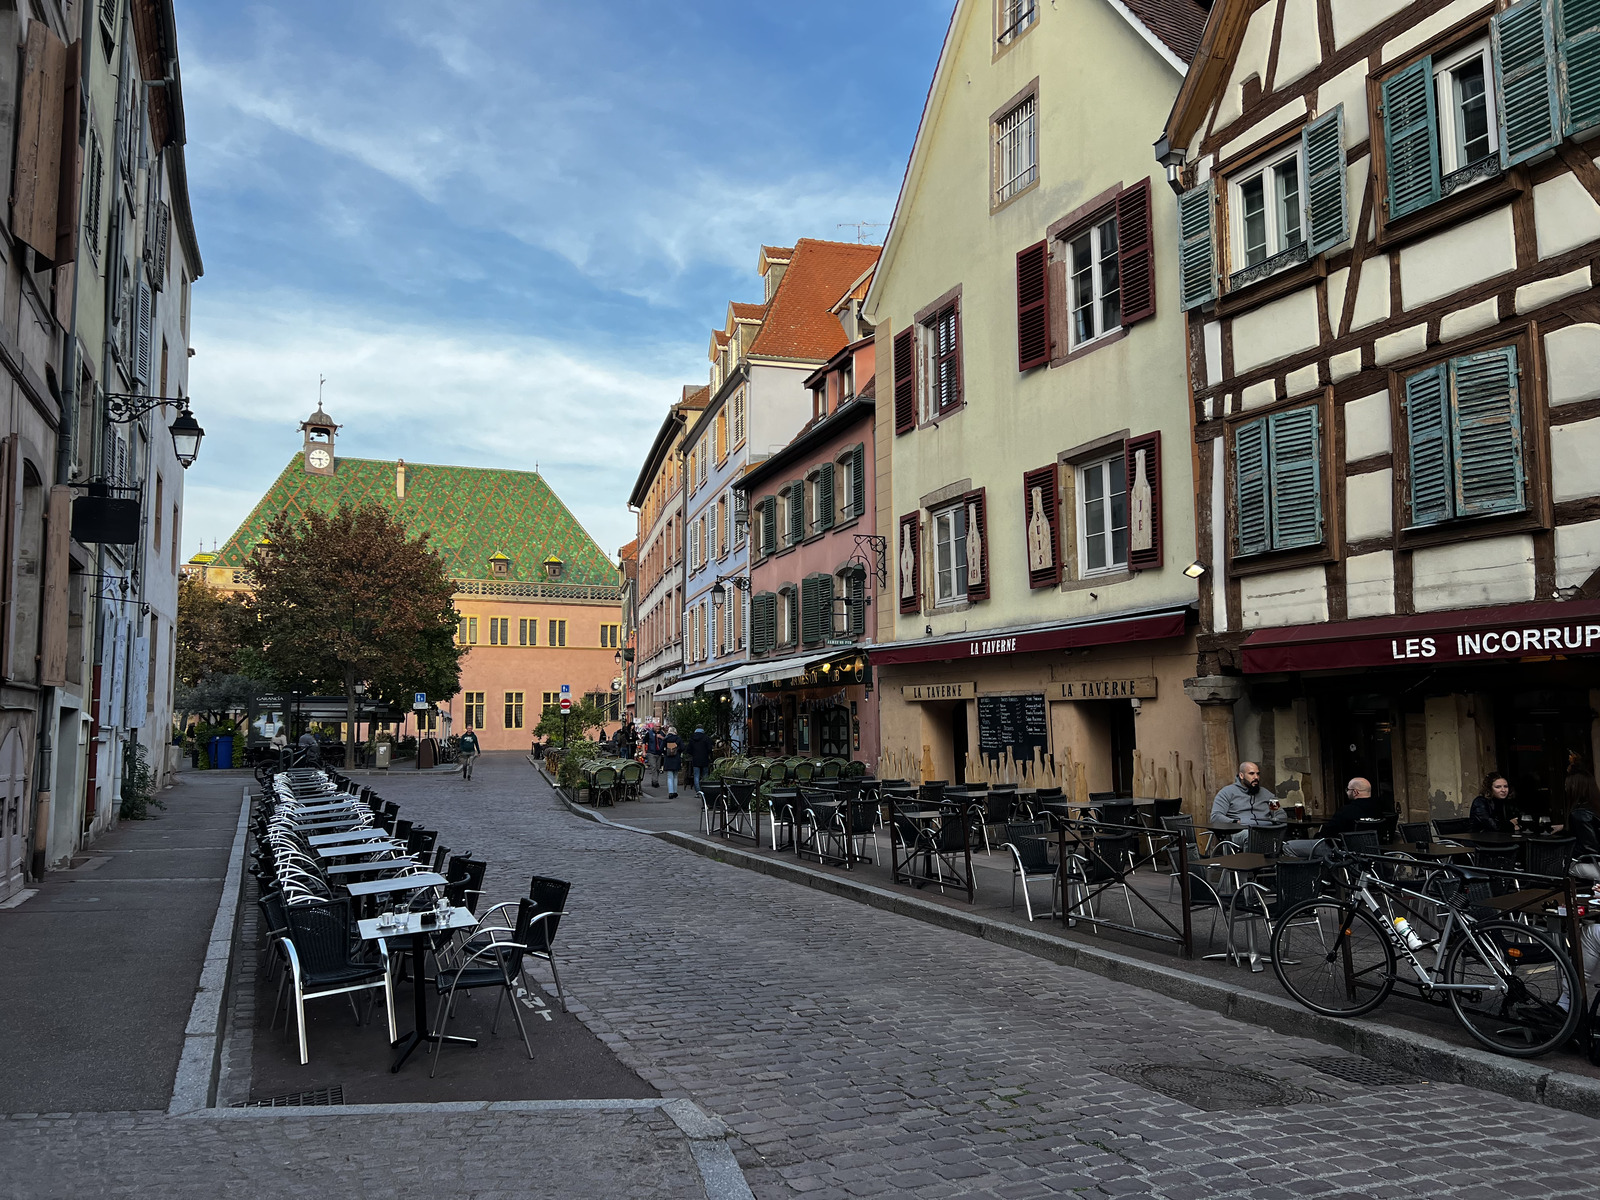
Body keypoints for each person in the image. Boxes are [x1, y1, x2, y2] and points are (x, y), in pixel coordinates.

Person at [1209, 761, 1285, 845]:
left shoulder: (1266, 794)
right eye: (1251, 774)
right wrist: (1235, 822)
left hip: (1267, 830)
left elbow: (1280, 812)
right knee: (1251, 837)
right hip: (1241, 832)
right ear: (1241, 775)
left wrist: (1276, 822)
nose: (1256, 777)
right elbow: (1216, 817)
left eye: (1258, 774)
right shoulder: (1227, 793)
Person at [1319, 777, 1385, 840]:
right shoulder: (1381, 809)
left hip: (1346, 849)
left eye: (1348, 789)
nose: (1347, 792)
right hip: (1376, 848)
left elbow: (1328, 832)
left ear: (1355, 792)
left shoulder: (1346, 811)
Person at [1565, 771, 1600, 855]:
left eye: (1567, 785)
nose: (1565, 789)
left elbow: (1590, 849)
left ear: (1574, 788)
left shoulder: (1580, 813)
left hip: (1593, 863)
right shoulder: (1594, 808)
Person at [688, 726, 714, 793]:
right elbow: (709, 749)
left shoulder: (692, 738)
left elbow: (688, 750)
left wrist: (693, 754)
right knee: (705, 775)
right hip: (704, 758)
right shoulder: (706, 738)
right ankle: (705, 789)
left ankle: (698, 791)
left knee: (696, 775)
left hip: (696, 758)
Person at [661, 725, 684, 799]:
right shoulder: (678, 739)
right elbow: (683, 748)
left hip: (668, 759)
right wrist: (678, 751)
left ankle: (670, 792)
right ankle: (675, 792)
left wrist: (666, 753)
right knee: (675, 776)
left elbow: (661, 749)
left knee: (669, 776)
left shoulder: (665, 739)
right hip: (676, 758)